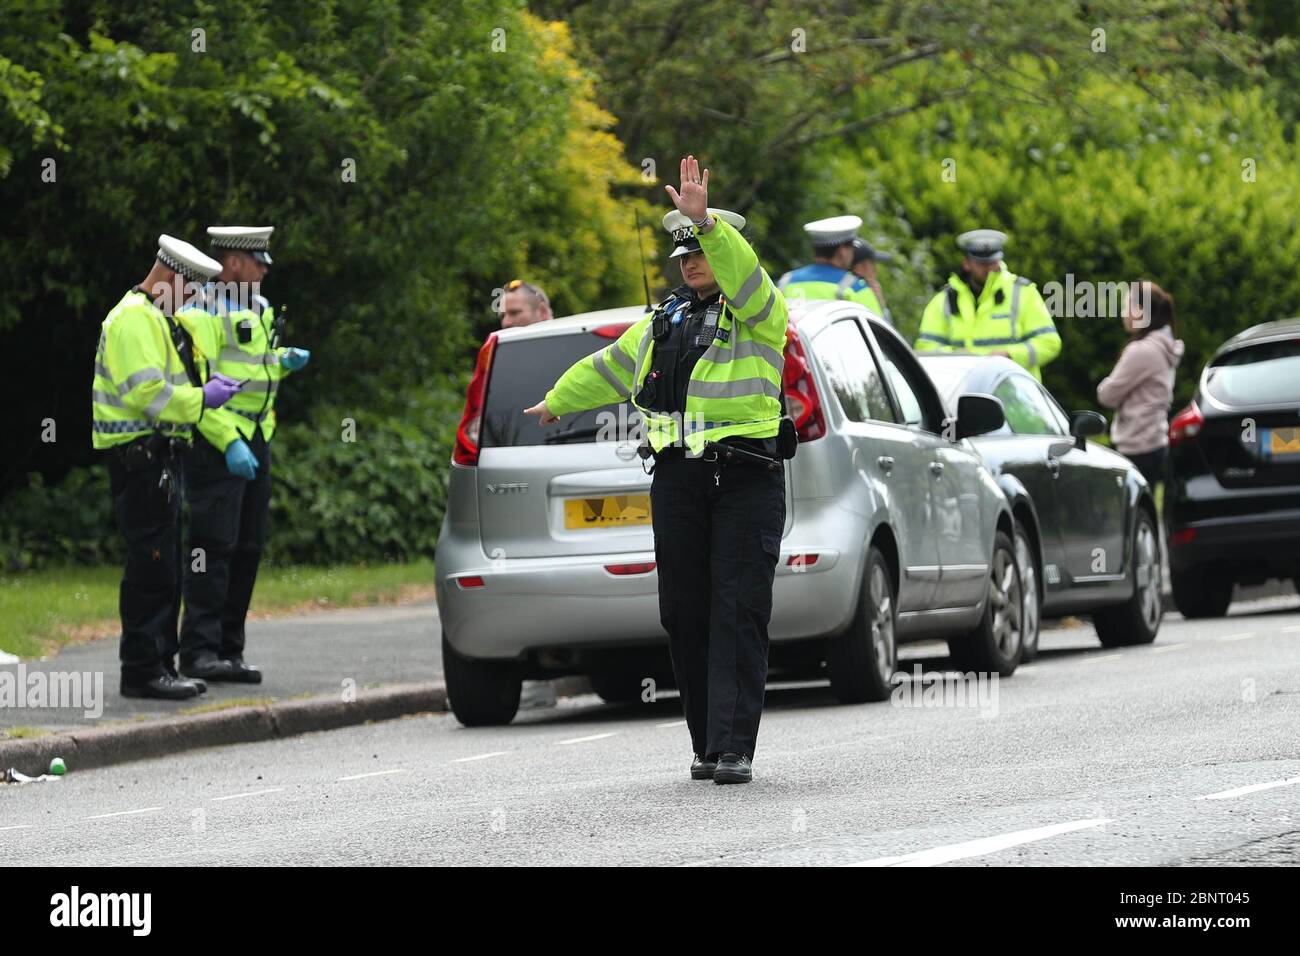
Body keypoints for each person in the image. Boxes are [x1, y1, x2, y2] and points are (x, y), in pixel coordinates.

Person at [524, 156, 787, 785]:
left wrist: (710, 224)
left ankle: (733, 746)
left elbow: (748, 278)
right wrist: (557, 401)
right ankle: (705, 741)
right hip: (678, 482)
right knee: (684, 612)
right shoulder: (663, 323)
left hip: (744, 477)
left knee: (737, 608)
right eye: (685, 255)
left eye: (701, 251)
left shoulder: (756, 312)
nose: (692, 263)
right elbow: (608, 367)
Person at [92, 236, 242, 700]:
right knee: (151, 568)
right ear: (172, 280)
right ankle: (141, 671)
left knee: (166, 569)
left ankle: (161, 664)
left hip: (158, 461)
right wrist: (203, 399)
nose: (194, 300)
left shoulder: (156, 319)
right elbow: (149, 395)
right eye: (192, 290)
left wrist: (205, 387)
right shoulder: (134, 320)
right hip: (141, 462)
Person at [177, 225, 309, 684]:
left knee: (248, 547)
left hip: (256, 436)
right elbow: (197, 385)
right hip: (218, 442)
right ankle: (198, 651)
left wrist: (282, 362)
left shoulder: (260, 307)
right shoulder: (199, 310)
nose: (266, 268)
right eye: (258, 260)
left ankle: (229, 651)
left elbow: (251, 369)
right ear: (233, 263)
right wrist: (227, 439)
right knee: (212, 549)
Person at [915, 229, 1061, 381]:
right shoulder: (943, 300)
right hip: (962, 392)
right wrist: (957, 358)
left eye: (992, 262)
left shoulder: (1024, 293)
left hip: (1016, 396)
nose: (988, 268)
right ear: (966, 263)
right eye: (981, 263)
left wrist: (1010, 354)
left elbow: (1049, 342)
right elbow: (926, 347)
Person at [1096, 281, 1184, 490]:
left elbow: (1106, 395)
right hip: (1154, 440)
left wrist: (1106, 384)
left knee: (1133, 514)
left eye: (1127, 307)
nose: (1124, 313)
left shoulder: (1141, 351)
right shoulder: (1164, 345)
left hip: (1136, 446)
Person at [778, 214, 889, 318]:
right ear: (842, 251)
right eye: (851, 247)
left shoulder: (786, 281)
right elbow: (879, 335)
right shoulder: (856, 289)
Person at [850, 237, 893, 324]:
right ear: (859, 268)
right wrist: (881, 304)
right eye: (872, 265)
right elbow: (885, 332)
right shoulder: (863, 293)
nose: (876, 270)